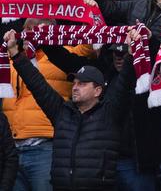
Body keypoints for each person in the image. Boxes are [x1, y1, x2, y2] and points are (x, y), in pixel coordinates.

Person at [5, 30, 135, 191]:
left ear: (98, 91)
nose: (75, 87)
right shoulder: (62, 112)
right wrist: (15, 53)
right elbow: (37, 84)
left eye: (82, 84)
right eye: (74, 83)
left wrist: (130, 55)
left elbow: (124, 84)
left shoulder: (110, 114)